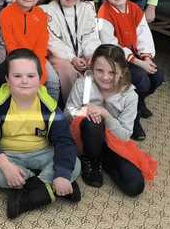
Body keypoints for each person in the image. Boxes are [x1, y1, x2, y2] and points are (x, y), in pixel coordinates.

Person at [0, 49, 81, 220]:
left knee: (75, 164)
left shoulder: (48, 105)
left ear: (40, 78)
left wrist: (62, 173)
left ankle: (30, 192)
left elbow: (64, 140)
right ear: (7, 79)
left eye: (31, 76)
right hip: (8, 154)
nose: (24, 81)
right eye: (17, 76)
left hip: (41, 152)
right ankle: (50, 187)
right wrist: (6, 166)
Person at [66, 44, 157, 196]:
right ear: (92, 67)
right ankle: (91, 160)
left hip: (114, 142)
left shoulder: (129, 95)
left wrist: (105, 114)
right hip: (85, 137)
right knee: (93, 122)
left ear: (122, 72)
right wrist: (84, 111)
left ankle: (104, 160)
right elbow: (68, 113)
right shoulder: (84, 84)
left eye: (112, 72)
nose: (105, 77)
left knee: (135, 186)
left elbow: (124, 135)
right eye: (99, 70)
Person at [97, 0, 163, 141]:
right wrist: (139, 63)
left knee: (158, 76)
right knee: (141, 79)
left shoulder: (134, 8)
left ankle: (139, 102)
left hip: (136, 55)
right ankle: (134, 119)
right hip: (115, 59)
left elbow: (143, 34)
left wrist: (146, 57)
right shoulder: (104, 13)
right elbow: (110, 44)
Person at [40, 0, 101, 101]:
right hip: (60, 56)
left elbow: (90, 36)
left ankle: (95, 104)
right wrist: (72, 58)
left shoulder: (86, 8)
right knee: (67, 70)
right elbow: (52, 42)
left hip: (83, 55)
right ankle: (73, 105)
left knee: (99, 65)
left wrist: (90, 55)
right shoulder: (47, 11)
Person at [0, 0, 59, 100]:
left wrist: (39, 70)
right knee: (20, 82)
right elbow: (10, 45)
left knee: (52, 81)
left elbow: (41, 45)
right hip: (14, 58)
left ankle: (50, 110)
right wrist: (25, 68)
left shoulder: (41, 14)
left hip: (37, 58)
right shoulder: (6, 14)